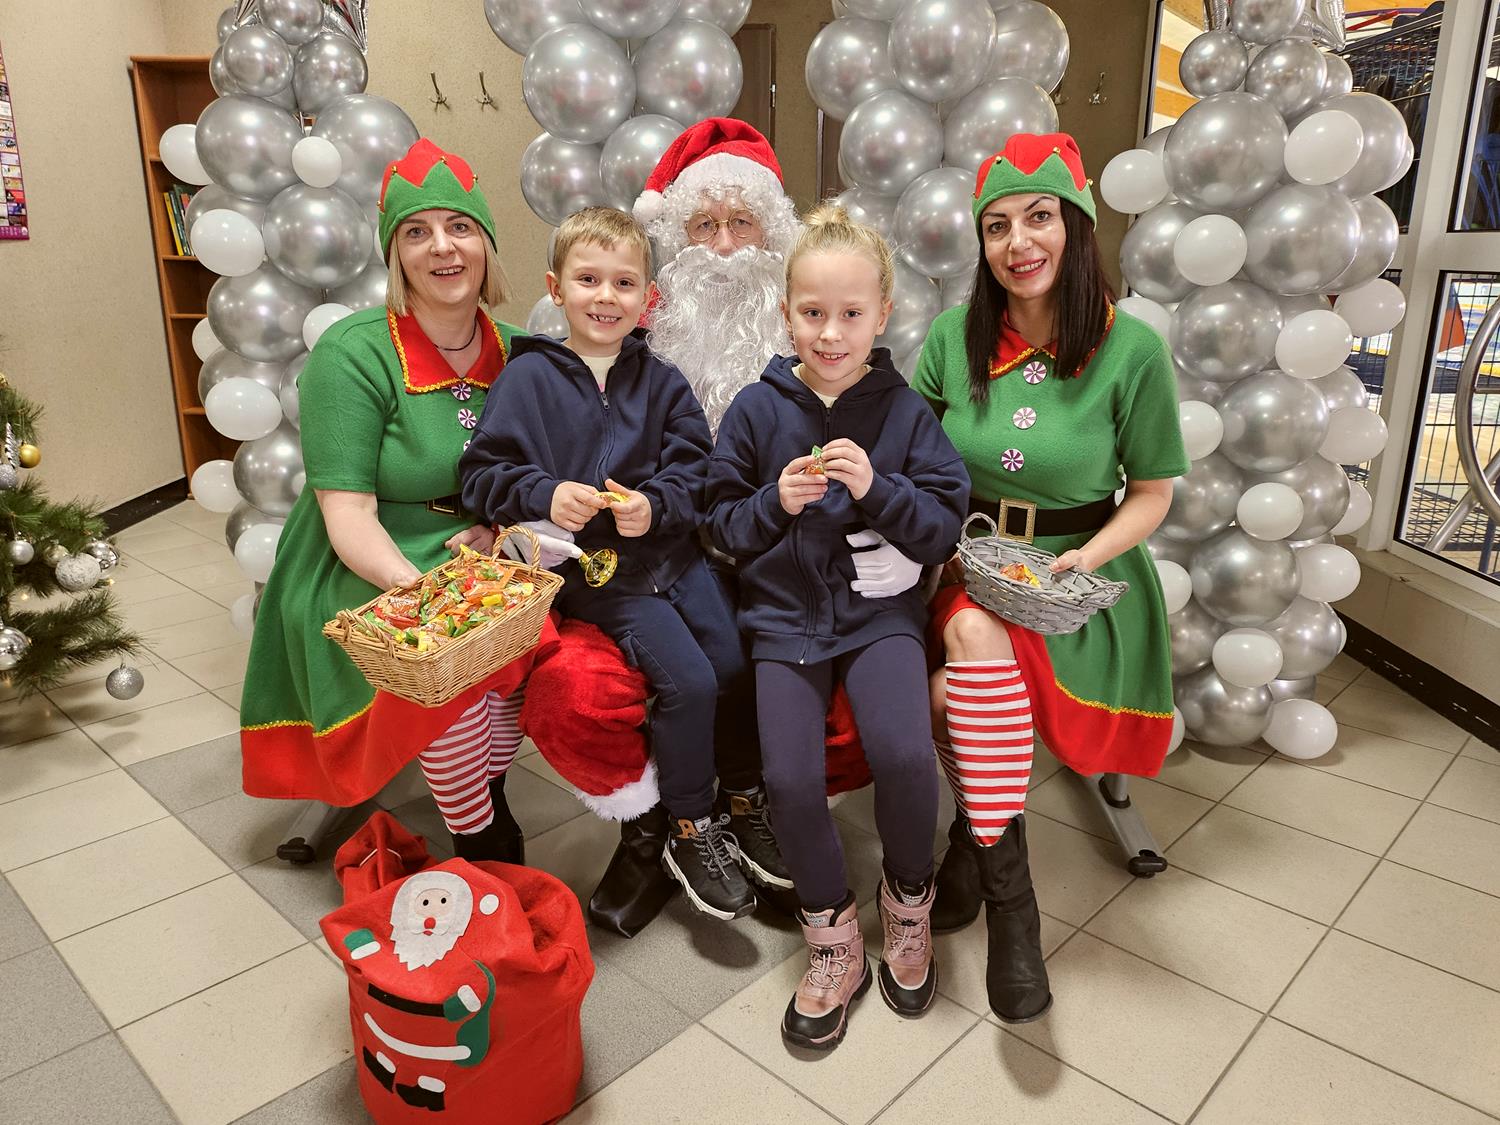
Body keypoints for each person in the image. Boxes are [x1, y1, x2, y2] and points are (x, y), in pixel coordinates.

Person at [517, 119, 926, 939]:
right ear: (674, 243)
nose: (727, 247)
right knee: (598, 684)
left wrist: (904, 540)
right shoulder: (631, 348)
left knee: (757, 651)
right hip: (640, 566)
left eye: (744, 223)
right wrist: (537, 505)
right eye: (704, 225)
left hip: (782, 569)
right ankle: (656, 831)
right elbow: (536, 453)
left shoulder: (822, 348)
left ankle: (751, 809)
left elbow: (900, 468)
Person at [910, 134, 1189, 1024]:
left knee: (962, 689)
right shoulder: (951, 338)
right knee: (971, 640)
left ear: (1077, 226)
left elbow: (1151, 493)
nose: (1018, 241)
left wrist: (1086, 559)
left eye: (1038, 217)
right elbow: (910, 459)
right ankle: (1014, 907)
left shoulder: (1130, 348)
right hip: (969, 562)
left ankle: (975, 848)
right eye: (996, 226)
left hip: (1078, 577)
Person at [240, 138, 550, 864]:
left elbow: (539, 474)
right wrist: (423, 599)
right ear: (394, 255)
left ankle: (483, 788)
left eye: (460, 226)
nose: (442, 247)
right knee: (439, 667)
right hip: (369, 554)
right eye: (416, 231)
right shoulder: (352, 353)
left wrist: (499, 532)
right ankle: (479, 834)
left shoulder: (523, 350)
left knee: (522, 651)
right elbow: (347, 513)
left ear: (486, 243)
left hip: (481, 547)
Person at [707, 206, 970, 1050]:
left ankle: (908, 903)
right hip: (784, 618)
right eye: (812, 312)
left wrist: (880, 492)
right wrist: (770, 503)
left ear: (882, 314)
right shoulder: (755, 408)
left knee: (905, 753)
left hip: (880, 616)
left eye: (851, 313)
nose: (830, 333)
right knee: (789, 779)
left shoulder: (905, 411)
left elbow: (943, 522)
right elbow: (717, 522)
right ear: (786, 312)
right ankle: (832, 935)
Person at [460, 207, 755, 922]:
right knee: (687, 680)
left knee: (731, 661)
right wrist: (544, 494)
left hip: (675, 559)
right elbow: (481, 476)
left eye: (624, 283)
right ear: (556, 288)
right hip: (599, 579)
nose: (606, 297)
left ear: (647, 297)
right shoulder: (527, 380)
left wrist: (656, 505)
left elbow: (698, 471)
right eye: (588, 279)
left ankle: (733, 802)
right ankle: (689, 827)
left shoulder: (663, 382)